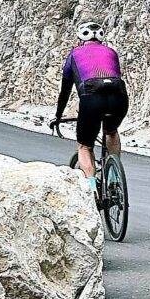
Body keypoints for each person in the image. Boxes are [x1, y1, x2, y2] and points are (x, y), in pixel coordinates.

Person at [52, 22, 129, 192]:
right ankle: (114, 179)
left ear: (80, 39)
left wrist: (58, 116)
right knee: (111, 131)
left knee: (85, 146)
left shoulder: (74, 54)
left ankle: (92, 189)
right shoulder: (111, 52)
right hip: (119, 96)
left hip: (91, 97)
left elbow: (65, 90)